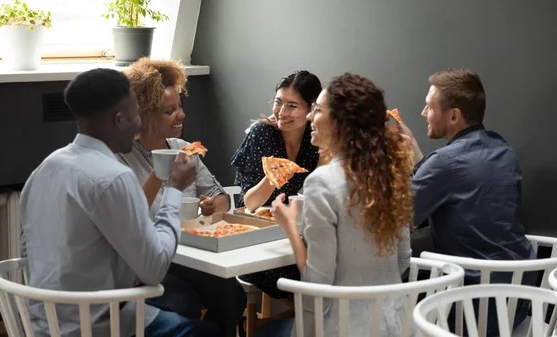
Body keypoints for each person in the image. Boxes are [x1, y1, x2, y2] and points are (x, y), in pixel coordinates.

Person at [20, 68, 218, 337]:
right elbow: (156, 269)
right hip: (94, 323)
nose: (140, 124)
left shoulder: (45, 167)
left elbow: (27, 250)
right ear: (119, 119)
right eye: (137, 114)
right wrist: (174, 188)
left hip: (45, 321)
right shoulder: (113, 177)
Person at [258, 73, 414, 337]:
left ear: (341, 123)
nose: (309, 117)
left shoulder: (323, 182)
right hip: (397, 325)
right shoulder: (390, 174)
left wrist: (290, 228)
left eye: (317, 110)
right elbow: (403, 259)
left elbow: (317, 283)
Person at [398, 68, 536, 334]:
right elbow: (453, 181)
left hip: (472, 305)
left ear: (453, 115)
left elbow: (398, 217)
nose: (423, 114)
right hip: (519, 295)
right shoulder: (501, 148)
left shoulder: (445, 163)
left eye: (429, 107)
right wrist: (416, 153)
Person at [118, 58, 245, 337]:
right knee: (180, 302)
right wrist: (161, 173)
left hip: (190, 257)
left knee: (233, 295)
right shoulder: (121, 159)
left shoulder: (187, 150)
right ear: (144, 116)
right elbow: (129, 219)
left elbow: (221, 197)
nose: (182, 115)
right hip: (147, 268)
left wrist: (214, 206)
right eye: (170, 110)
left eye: (180, 106)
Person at [231, 70, 323, 301]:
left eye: (292, 106)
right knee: (293, 282)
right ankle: (312, 322)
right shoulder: (263, 134)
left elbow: (319, 189)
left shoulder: (315, 139)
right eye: (278, 102)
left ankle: (313, 320)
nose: (282, 113)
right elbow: (249, 204)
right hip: (254, 234)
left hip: (292, 233)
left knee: (320, 270)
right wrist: (273, 178)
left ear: (312, 109)